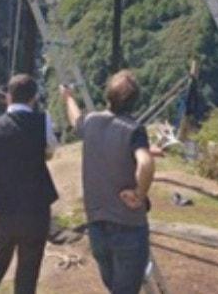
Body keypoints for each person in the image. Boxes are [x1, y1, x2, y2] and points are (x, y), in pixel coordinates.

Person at [61, 71, 154, 294]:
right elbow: (146, 163)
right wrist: (139, 194)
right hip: (128, 226)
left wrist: (67, 97)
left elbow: (76, 119)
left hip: (97, 226)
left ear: (107, 96)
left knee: (114, 286)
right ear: (134, 101)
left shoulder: (91, 122)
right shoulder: (134, 130)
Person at [0, 74, 59, 294]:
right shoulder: (43, 122)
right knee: (27, 275)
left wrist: (2, 176)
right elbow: (49, 152)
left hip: (4, 209)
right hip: (36, 210)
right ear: (34, 98)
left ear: (8, 97)